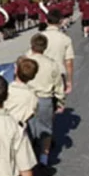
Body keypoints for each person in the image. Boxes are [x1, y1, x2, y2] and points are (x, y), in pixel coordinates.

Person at [26, 34, 66, 168]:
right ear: (45, 47)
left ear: (32, 45)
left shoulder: (25, 61)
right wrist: (60, 101)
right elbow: (58, 85)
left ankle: (28, 158)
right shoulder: (52, 64)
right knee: (46, 129)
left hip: (27, 98)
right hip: (45, 98)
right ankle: (44, 158)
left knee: (27, 129)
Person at [39, 10, 75, 95]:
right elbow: (69, 62)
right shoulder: (65, 39)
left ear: (46, 21)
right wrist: (69, 81)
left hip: (42, 74)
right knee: (59, 98)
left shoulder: (39, 37)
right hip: (59, 73)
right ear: (61, 21)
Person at [4, 57, 39, 126]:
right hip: (20, 126)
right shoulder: (32, 96)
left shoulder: (6, 90)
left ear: (16, 70)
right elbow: (32, 113)